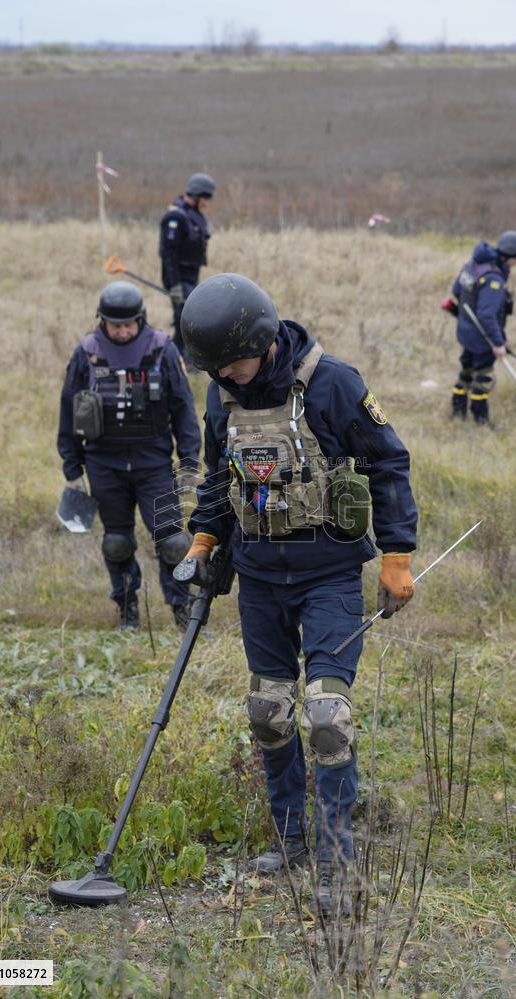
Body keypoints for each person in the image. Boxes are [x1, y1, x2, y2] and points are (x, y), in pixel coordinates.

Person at [178, 273, 418, 912]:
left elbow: (389, 462)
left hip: (329, 573)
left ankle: (336, 859)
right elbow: (218, 476)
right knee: (270, 711)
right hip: (259, 575)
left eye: (233, 362)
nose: (224, 376)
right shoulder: (222, 396)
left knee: (326, 717)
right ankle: (289, 842)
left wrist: (397, 556)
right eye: (214, 368)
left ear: (263, 341)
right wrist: (203, 540)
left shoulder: (333, 383)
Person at [57, 281, 201, 630]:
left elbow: (183, 407)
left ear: (140, 319)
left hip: (153, 464)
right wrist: (72, 468)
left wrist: (189, 461)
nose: (122, 331)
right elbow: (68, 408)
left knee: (173, 541)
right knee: (117, 542)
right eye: (115, 325)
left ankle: (183, 611)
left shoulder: (163, 350)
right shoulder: (86, 353)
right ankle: (128, 612)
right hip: (103, 464)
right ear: (102, 320)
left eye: (128, 325)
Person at [441, 230, 516, 426]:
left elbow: (457, 290)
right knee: (483, 377)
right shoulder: (493, 279)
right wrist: (498, 343)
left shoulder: (474, 264)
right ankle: (481, 419)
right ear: (511, 255)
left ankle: (458, 412)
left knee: (466, 372)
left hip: (465, 330)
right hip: (481, 337)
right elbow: (486, 315)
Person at [159, 172, 215, 362]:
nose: (207, 203)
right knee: (187, 320)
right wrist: (174, 285)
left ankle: (175, 358)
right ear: (197, 195)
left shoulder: (194, 215)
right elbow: (168, 254)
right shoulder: (175, 216)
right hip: (179, 278)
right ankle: (186, 362)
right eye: (205, 198)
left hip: (191, 277)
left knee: (185, 318)